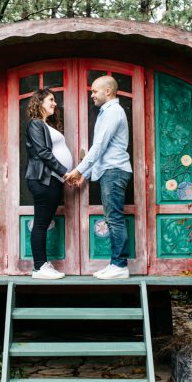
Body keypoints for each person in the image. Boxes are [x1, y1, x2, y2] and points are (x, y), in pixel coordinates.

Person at [65, 75, 133, 279]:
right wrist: (85, 174)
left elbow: (99, 146)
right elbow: (102, 151)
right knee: (112, 218)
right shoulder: (106, 112)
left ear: (108, 91)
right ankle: (115, 263)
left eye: (95, 91)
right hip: (109, 170)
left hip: (114, 171)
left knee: (114, 218)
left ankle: (120, 265)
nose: (92, 95)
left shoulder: (114, 112)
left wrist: (78, 170)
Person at [25, 88, 73, 280]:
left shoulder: (45, 125)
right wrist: (65, 172)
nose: (54, 103)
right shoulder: (35, 124)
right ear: (40, 102)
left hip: (52, 180)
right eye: (51, 100)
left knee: (42, 222)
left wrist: (64, 175)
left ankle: (42, 264)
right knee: (41, 223)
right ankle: (39, 267)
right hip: (42, 179)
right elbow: (43, 153)